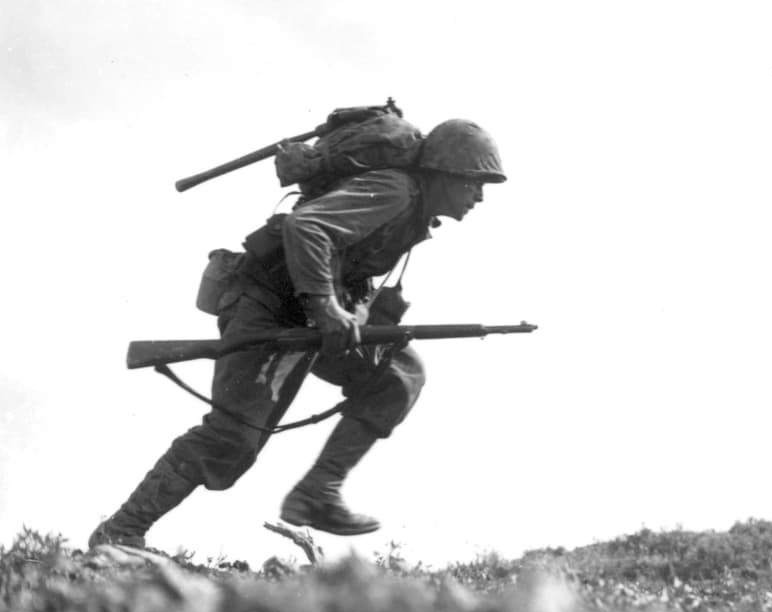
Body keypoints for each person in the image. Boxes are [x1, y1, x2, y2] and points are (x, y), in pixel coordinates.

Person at [89, 117, 506, 548]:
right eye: (474, 182)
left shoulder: (413, 212)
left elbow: (345, 262)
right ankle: (120, 532)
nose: (478, 195)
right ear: (445, 173)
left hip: (305, 312)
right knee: (232, 440)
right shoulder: (396, 191)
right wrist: (327, 308)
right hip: (267, 303)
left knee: (398, 373)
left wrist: (357, 313)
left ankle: (317, 493)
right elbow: (306, 227)